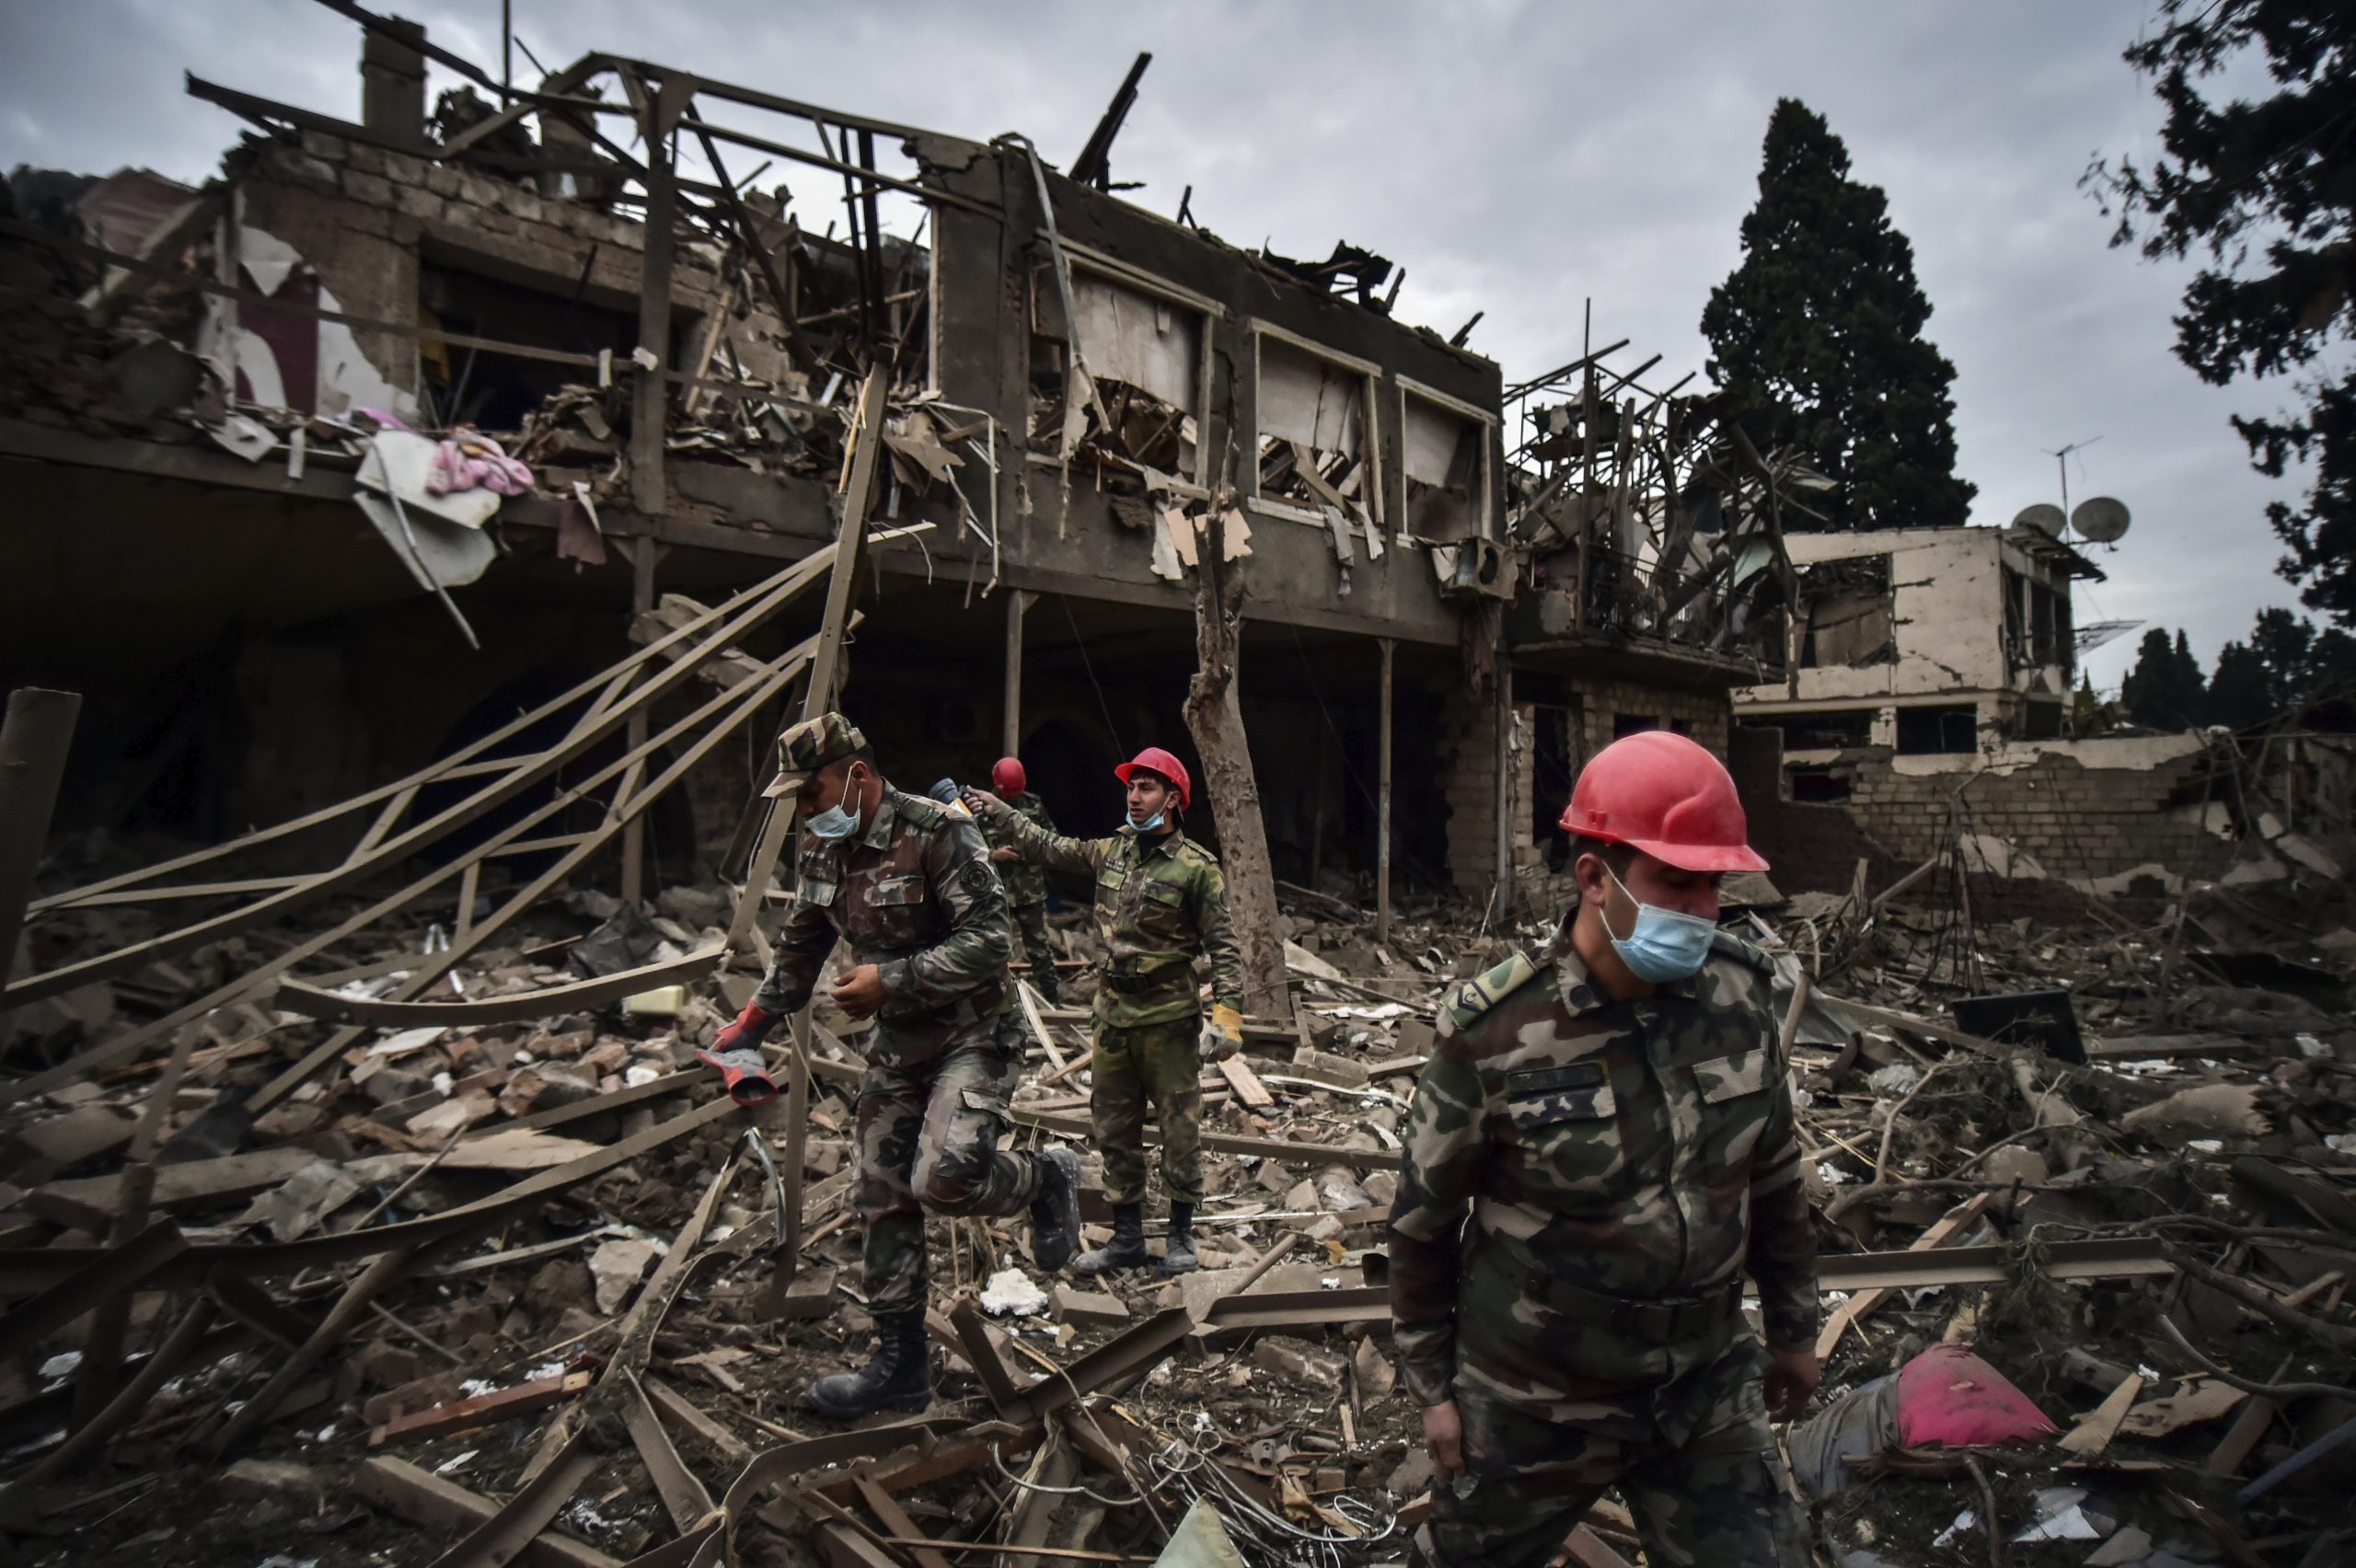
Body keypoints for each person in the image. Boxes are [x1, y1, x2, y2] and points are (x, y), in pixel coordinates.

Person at [1388, 730, 1819, 1568]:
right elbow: (1421, 1228)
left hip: (1703, 1387)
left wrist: (1796, 1331)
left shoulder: (1741, 998)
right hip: (1533, 1398)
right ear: (1595, 876)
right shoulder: (1495, 1034)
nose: (1703, 909)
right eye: (1677, 883)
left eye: (1714, 886)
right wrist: (1435, 1393)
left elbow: (1774, 1181)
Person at [699, 712, 1081, 1418]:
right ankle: (900, 1365)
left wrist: (891, 980)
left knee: (942, 1180)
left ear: (857, 775)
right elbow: (802, 943)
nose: (807, 812)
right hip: (901, 1045)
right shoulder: (823, 848)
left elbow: (992, 942)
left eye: (811, 794)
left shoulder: (939, 830)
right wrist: (751, 1021)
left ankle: (1043, 1176)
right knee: (881, 1191)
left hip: (974, 1033)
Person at [964, 745, 1243, 1275]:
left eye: (1146, 788)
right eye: (1131, 787)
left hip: (1167, 1022)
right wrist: (1000, 811)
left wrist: (1227, 1014)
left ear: (1173, 799)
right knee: (1114, 1131)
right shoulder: (1110, 852)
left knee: (1180, 1132)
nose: (1134, 798)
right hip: (1113, 1017)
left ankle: (1182, 1235)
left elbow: (1225, 946)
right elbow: (1044, 845)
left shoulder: (1196, 869)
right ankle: (1127, 1239)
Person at [982, 755, 1065, 1007]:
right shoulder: (980, 807)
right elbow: (965, 849)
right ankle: (994, 1004)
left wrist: (1027, 848)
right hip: (996, 893)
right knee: (993, 950)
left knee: (1040, 950)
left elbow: (1053, 841)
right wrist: (993, 855)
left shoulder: (1033, 806)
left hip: (1029, 891)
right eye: (1007, 796)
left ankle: (1053, 1001)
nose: (1011, 801)